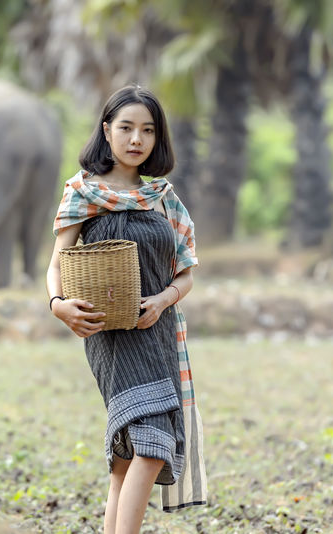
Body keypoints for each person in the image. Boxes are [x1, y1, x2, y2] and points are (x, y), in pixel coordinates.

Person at [45, 86, 207, 534]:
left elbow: (186, 273)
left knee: (126, 461)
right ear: (106, 131)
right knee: (152, 449)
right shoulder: (83, 192)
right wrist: (59, 305)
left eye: (148, 130)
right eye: (126, 128)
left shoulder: (162, 198)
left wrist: (161, 300)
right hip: (109, 333)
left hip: (156, 329)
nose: (137, 139)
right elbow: (57, 264)